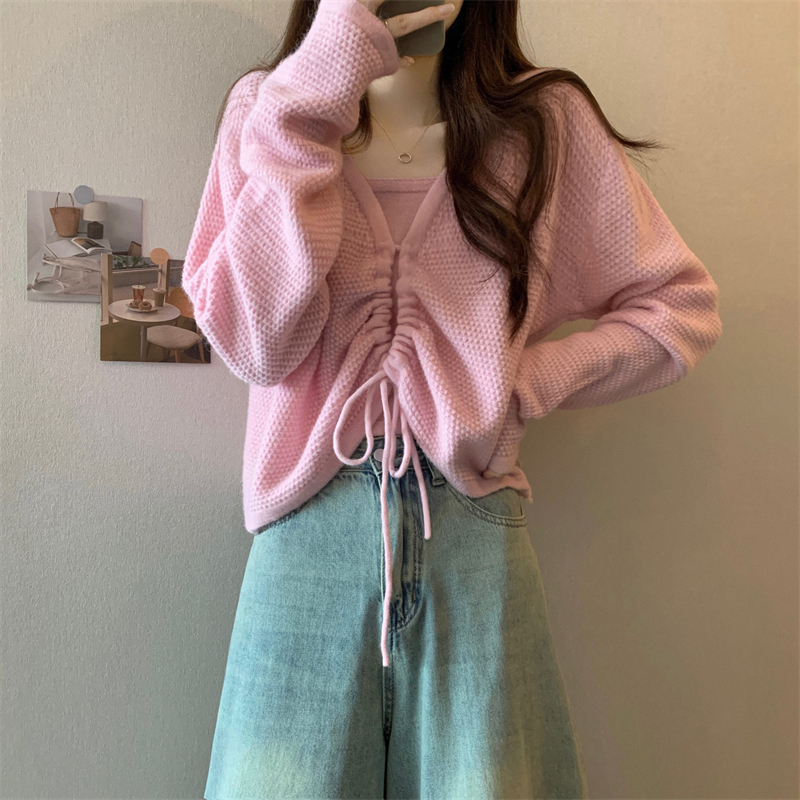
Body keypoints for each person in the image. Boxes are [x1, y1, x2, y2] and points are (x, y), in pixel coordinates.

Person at [182, 0, 723, 797]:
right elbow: (256, 345)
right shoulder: (268, 113)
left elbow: (681, 310)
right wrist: (308, 104)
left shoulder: (542, 125)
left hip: (473, 539)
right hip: (306, 539)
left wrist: (522, 384)